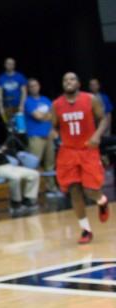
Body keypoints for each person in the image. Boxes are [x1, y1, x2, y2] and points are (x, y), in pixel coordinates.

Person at [52, 72, 110, 244]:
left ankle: (102, 201)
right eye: (65, 80)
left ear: (78, 83)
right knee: (74, 190)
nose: (68, 82)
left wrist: (97, 136)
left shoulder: (90, 99)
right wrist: (55, 136)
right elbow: (54, 126)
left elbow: (103, 119)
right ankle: (86, 230)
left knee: (91, 190)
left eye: (71, 79)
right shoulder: (56, 104)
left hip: (88, 149)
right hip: (68, 151)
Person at [0, 122, 39, 216]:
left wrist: (3, 150)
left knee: (34, 174)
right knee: (15, 177)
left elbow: (7, 152)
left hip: (8, 167)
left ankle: (28, 200)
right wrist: (1, 150)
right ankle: (16, 203)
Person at [24, 78, 55, 189]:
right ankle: (35, 191)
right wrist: (47, 115)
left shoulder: (46, 99)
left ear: (39, 86)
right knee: (34, 164)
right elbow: (38, 116)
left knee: (50, 164)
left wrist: (46, 118)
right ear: (28, 89)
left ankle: (51, 187)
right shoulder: (28, 101)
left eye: (35, 85)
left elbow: (54, 115)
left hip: (48, 135)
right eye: (31, 86)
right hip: (35, 136)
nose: (34, 88)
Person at [0, 57, 27, 126]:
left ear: (14, 65)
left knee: (20, 128)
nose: (10, 65)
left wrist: (22, 105)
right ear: (5, 65)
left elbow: (24, 92)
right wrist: (0, 108)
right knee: (9, 127)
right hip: (7, 107)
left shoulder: (20, 77)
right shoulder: (0, 78)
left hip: (18, 106)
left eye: (11, 64)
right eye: (8, 63)